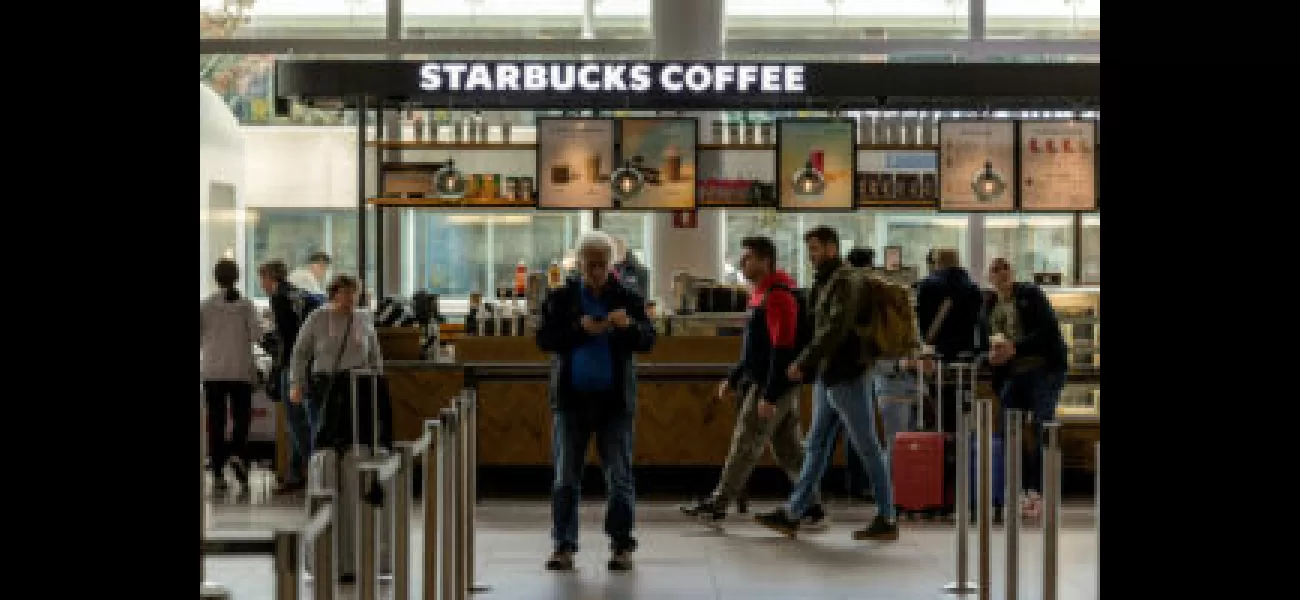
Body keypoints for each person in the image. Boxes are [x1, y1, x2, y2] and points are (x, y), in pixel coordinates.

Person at [754, 226, 899, 541]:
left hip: (847, 374)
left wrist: (803, 361)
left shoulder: (846, 282)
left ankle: (888, 516)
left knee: (868, 447)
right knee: (816, 446)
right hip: (829, 375)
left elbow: (835, 328)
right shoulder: (827, 281)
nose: (811, 255)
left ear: (833, 248)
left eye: (816, 249)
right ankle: (794, 512)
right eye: (810, 249)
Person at [680, 236, 826, 528]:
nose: (741, 263)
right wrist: (734, 377)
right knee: (789, 448)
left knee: (745, 443)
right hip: (770, 382)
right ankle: (811, 505)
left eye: (747, 258)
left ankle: (718, 505)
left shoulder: (778, 297)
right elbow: (755, 348)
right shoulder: (761, 294)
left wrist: (769, 395)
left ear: (764, 260)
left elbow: (781, 350)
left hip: (770, 385)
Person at [536, 231, 656, 572]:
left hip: (615, 402)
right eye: (590, 266)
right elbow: (545, 339)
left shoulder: (628, 298)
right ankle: (563, 545)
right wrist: (579, 329)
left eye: (602, 265)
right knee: (565, 477)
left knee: (619, 476)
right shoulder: (561, 299)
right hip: (571, 401)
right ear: (580, 265)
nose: (597, 272)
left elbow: (648, 340)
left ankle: (621, 544)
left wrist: (628, 326)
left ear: (612, 264)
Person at [983, 257, 1068, 519]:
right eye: (995, 269)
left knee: (1043, 426)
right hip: (1013, 374)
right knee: (1009, 430)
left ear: (1013, 271)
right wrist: (989, 356)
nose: (1001, 272)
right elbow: (981, 338)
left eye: (1005, 266)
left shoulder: (1030, 293)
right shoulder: (988, 304)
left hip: (1043, 369)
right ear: (989, 277)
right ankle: (1017, 489)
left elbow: (1048, 331)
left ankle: (1038, 491)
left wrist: (1015, 348)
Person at [200, 259, 261, 493]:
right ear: (237, 276)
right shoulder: (246, 305)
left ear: (216, 277)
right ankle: (237, 454)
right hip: (240, 371)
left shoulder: (205, 305)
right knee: (241, 419)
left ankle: (217, 473)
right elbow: (256, 335)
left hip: (213, 371)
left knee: (216, 422)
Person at [258, 259, 318, 493]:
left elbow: (287, 335)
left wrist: (273, 350)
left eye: (262, 279)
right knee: (299, 419)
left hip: (291, 365)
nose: (261, 284)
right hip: (304, 363)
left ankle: (314, 468)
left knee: (294, 420)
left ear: (269, 277)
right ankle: (294, 472)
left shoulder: (278, 296)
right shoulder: (298, 293)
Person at [914, 248, 985, 434]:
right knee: (963, 408)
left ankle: (942, 451)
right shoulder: (973, 287)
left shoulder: (927, 285)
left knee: (939, 409)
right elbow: (979, 324)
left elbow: (922, 325)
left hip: (938, 357)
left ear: (936, 262)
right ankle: (961, 447)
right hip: (966, 358)